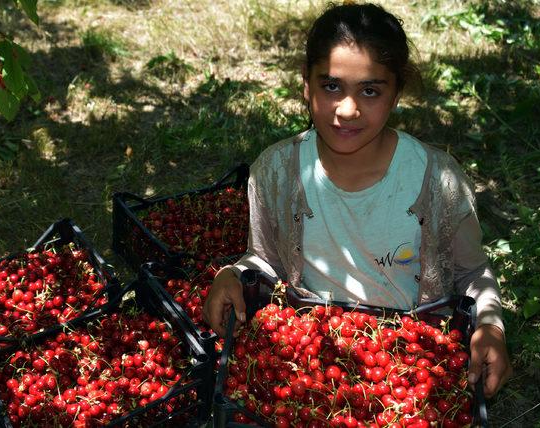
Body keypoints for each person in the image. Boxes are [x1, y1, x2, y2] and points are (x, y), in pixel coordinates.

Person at [203, 2, 511, 399]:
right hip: (312, 357)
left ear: (396, 93)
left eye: (370, 90)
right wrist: (232, 273)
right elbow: (267, 260)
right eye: (331, 86)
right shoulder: (276, 172)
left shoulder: (437, 181)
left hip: (409, 361)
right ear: (306, 84)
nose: (347, 110)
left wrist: (490, 327)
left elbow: (472, 273)